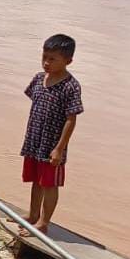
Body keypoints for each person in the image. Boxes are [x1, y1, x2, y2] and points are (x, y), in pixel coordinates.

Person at [21, 34, 83, 233]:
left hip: (52, 145)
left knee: (49, 184)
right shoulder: (39, 79)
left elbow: (71, 120)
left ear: (68, 61)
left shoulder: (70, 86)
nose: (46, 63)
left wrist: (59, 149)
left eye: (52, 59)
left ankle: (44, 222)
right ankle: (32, 215)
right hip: (35, 140)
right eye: (44, 57)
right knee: (35, 180)